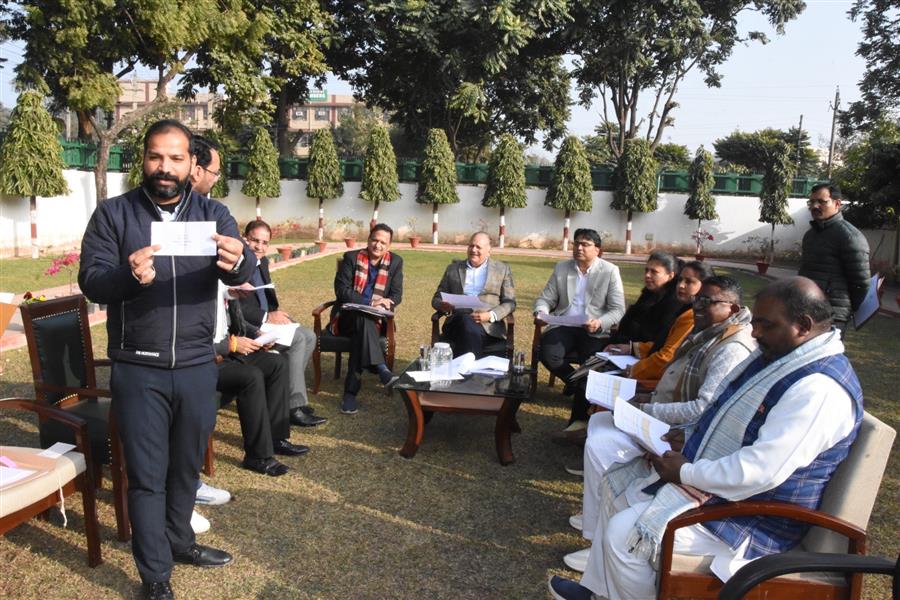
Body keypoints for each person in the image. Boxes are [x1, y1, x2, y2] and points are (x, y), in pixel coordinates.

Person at [549, 277, 863, 600]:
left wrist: (684, 472)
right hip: (729, 494)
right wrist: (686, 435)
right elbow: (728, 417)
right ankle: (599, 592)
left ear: (803, 326)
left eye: (766, 325)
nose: (755, 333)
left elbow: (758, 472)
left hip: (755, 520)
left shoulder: (818, 390)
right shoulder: (782, 361)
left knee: (623, 536)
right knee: (621, 490)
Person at [78, 119, 256, 600]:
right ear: (143, 159)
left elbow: (242, 268)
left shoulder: (214, 214)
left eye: (176, 158)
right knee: (147, 476)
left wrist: (238, 260)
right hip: (139, 367)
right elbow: (92, 281)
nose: (165, 167)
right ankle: (155, 574)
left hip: (197, 365)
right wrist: (128, 276)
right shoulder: (114, 215)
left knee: (185, 469)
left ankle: (180, 542)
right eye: (156, 156)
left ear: (192, 164)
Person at [564, 276, 756, 573]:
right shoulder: (709, 333)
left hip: (684, 434)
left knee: (603, 443)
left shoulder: (731, 347)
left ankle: (597, 536)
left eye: (708, 302)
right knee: (601, 421)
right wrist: (645, 397)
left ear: (732, 309)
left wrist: (645, 409)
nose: (698, 307)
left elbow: (702, 409)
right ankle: (595, 520)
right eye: (698, 300)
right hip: (663, 415)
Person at [559, 260, 710, 440]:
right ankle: (583, 426)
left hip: (657, 379)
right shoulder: (677, 307)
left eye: (689, 282)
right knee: (594, 369)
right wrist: (632, 347)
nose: (682, 285)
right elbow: (662, 344)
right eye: (681, 280)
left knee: (597, 379)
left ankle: (588, 430)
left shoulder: (689, 315)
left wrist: (634, 370)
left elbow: (665, 357)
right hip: (641, 361)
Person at [237, 220, 326, 427]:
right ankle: (293, 407)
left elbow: (267, 298)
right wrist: (267, 317)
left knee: (309, 336)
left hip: (267, 320)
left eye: (264, 242)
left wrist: (279, 316)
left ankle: (287, 394)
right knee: (298, 339)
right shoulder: (237, 265)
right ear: (244, 238)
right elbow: (234, 307)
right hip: (248, 326)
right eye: (255, 240)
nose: (259, 247)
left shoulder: (263, 262)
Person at [213, 284, 307, 476]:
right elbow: (190, 339)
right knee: (251, 376)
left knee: (277, 363)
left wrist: (257, 333)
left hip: (228, 353)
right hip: (206, 363)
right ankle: (257, 457)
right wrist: (231, 344)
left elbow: (233, 321)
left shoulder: (225, 288)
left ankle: (275, 438)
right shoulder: (198, 294)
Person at [533, 228, 626, 388]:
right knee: (547, 353)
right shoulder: (562, 268)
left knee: (591, 361)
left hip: (593, 330)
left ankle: (578, 387)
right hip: (564, 325)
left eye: (585, 244)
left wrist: (599, 323)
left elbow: (618, 309)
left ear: (597, 250)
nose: (579, 248)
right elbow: (546, 298)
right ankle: (578, 385)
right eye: (576, 244)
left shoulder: (610, 271)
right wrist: (541, 312)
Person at [330, 223, 403, 415]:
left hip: (376, 319)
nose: (378, 245)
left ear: (389, 245)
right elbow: (342, 291)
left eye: (383, 242)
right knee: (362, 317)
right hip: (347, 317)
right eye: (374, 240)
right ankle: (381, 368)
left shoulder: (396, 262)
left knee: (362, 330)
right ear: (368, 240)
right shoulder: (351, 258)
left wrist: (386, 303)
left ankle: (350, 394)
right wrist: (369, 302)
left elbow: (397, 294)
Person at [798, 183, 870, 333]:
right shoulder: (810, 235)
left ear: (837, 204)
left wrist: (849, 309)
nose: (815, 206)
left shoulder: (849, 236)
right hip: (806, 310)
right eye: (812, 202)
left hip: (832, 316)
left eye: (821, 201)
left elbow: (861, 283)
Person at [431, 231, 516, 356]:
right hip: (457, 322)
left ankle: (465, 365)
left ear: (488, 251)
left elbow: (510, 302)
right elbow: (437, 298)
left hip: (488, 326)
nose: (473, 250)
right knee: (466, 322)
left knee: (469, 331)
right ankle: (472, 365)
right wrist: (442, 305)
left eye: (478, 247)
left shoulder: (501, 270)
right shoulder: (453, 269)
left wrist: (490, 315)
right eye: (471, 246)